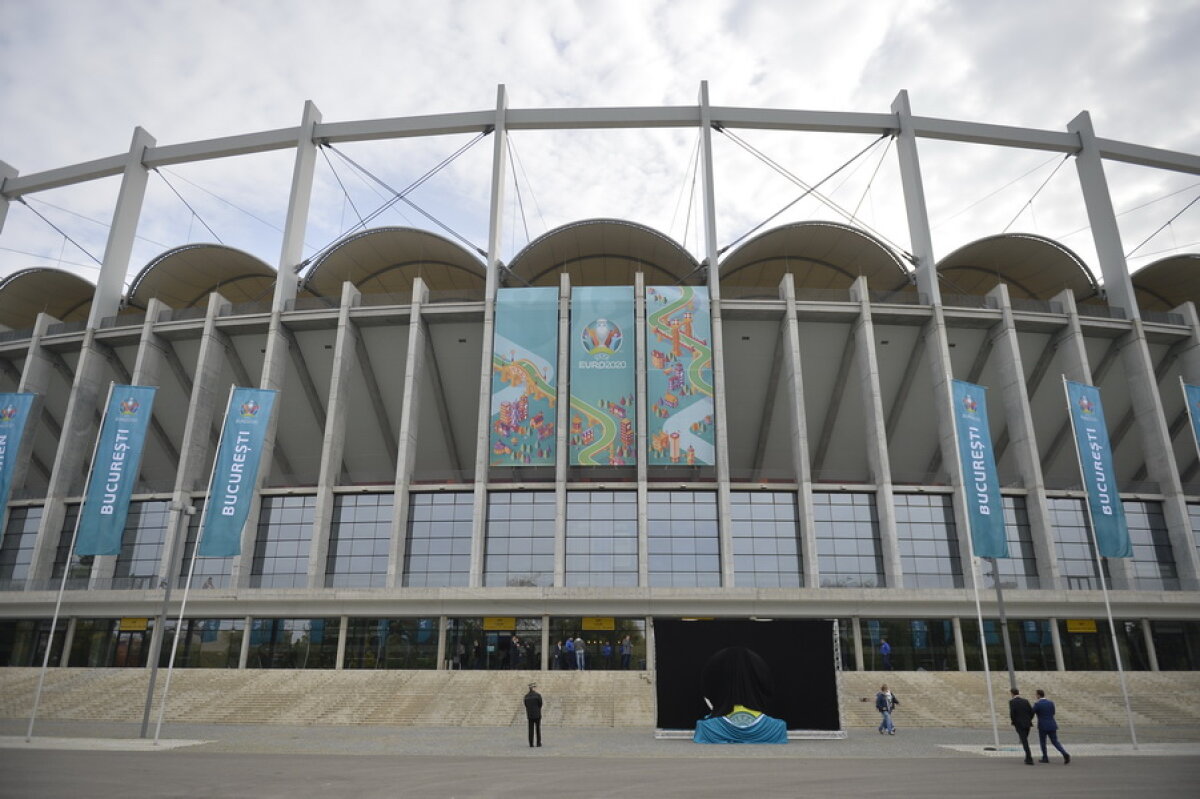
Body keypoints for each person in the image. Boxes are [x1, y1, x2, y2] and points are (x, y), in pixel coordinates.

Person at [1032, 689, 1070, 764]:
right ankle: (1064, 753)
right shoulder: (1050, 703)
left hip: (1042, 726)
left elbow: (1032, 713)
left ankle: (1045, 757)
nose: (1035, 696)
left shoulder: (1037, 704)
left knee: (1043, 742)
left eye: (1036, 694)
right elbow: (1053, 713)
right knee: (1055, 741)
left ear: (1039, 695)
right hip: (1052, 724)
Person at [1009, 688, 1035, 765]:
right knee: (1025, 740)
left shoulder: (1012, 702)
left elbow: (1012, 713)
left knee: (1024, 741)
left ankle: (1029, 758)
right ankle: (1028, 757)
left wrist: (1014, 722)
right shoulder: (1025, 701)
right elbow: (1032, 711)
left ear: (1012, 693)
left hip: (1019, 724)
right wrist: (1029, 719)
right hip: (1027, 724)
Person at [523, 683, 543, 748]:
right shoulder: (538, 695)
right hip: (537, 715)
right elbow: (540, 704)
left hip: (530, 715)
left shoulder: (526, 696)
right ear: (533, 688)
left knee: (530, 729)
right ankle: (538, 743)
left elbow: (526, 705)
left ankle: (531, 743)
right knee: (538, 729)